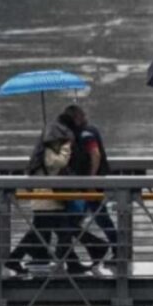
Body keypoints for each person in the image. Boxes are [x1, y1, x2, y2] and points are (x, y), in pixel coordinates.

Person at [7, 119, 92, 276]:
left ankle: (73, 263)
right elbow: (58, 163)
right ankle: (14, 258)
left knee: (56, 231)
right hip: (47, 198)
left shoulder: (45, 149)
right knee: (58, 231)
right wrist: (67, 148)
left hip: (47, 198)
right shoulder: (50, 151)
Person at [61, 105, 114, 269]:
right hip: (86, 184)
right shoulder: (86, 131)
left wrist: (91, 180)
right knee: (91, 218)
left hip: (89, 184)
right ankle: (73, 255)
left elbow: (95, 154)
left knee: (95, 217)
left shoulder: (85, 134)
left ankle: (111, 248)